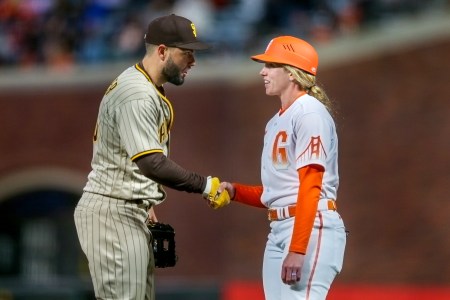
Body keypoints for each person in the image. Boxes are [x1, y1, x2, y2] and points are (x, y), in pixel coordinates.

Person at [74, 14, 229, 300]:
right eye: (186, 53)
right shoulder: (137, 94)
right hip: (113, 211)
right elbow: (151, 163)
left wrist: (145, 202)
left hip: (126, 208)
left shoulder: (146, 87)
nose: (192, 61)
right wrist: (205, 185)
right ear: (162, 51)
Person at [214, 36, 347, 300]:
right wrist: (235, 191)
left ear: (292, 72)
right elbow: (278, 192)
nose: (263, 71)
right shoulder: (276, 121)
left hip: (310, 227)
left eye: (271, 65)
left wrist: (298, 249)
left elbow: (311, 182)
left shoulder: (309, 112)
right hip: (279, 228)